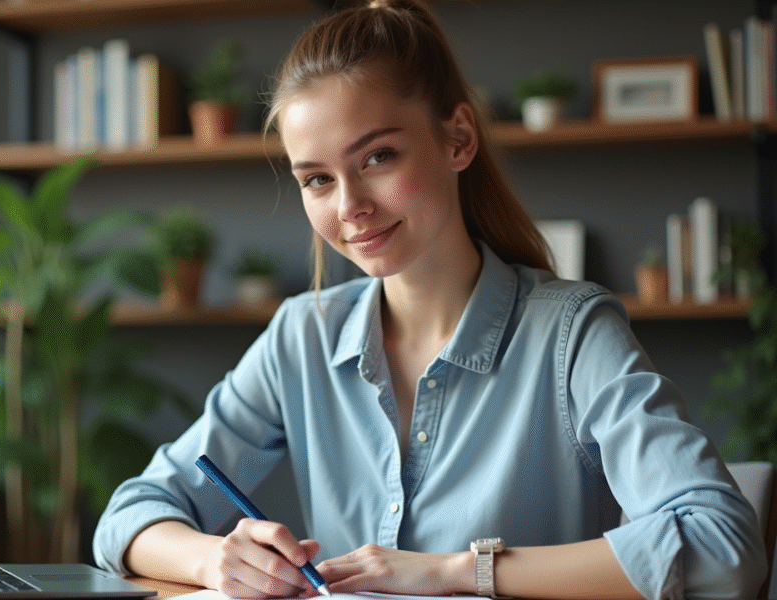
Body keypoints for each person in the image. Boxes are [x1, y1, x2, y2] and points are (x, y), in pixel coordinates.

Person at [93, 2, 768, 599]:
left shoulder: (571, 333)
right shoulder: (302, 335)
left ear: (458, 139)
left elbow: (723, 547)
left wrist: (454, 572)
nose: (351, 206)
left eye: (378, 157)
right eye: (317, 180)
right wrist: (218, 561)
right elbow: (130, 516)